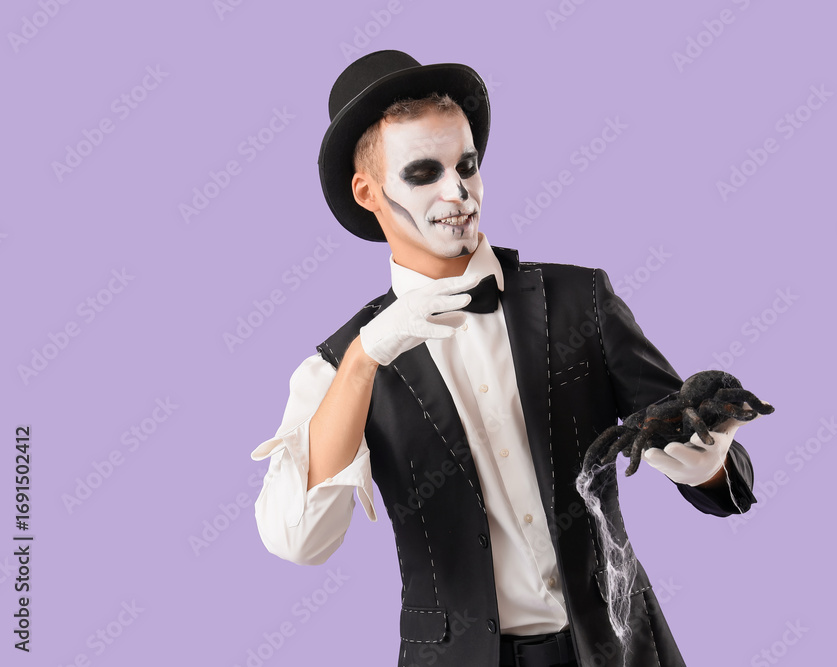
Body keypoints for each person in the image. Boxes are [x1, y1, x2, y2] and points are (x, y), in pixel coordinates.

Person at [251, 50, 759, 667]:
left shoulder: (580, 299)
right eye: (423, 173)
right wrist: (365, 360)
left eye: (466, 165)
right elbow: (299, 541)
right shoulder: (339, 368)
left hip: (619, 647)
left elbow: (690, 438)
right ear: (368, 192)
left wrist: (709, 463)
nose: (458, 191)